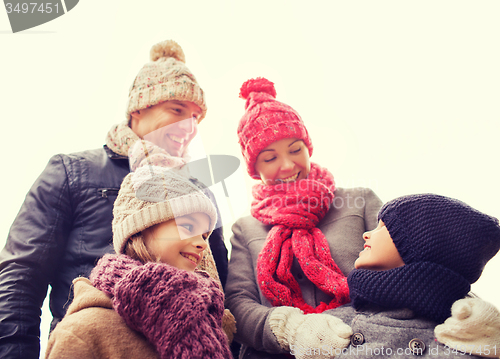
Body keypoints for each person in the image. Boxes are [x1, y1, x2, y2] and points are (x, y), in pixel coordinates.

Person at [0, 40, 228, 359]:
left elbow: (222, 288)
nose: (189, 127)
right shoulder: (72, 172)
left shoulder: (199, 190)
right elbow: (21, 277)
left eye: (196, 117)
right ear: (139, 107)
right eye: (176, 110)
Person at [225, 77, 384, 358]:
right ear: (254, 167)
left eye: (295, 150)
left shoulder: (360, 202)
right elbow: (238, 304)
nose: (287, 165)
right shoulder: (245, 228)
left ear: (308, 147)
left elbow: (403, 268)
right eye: (270, 158)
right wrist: (293, 330)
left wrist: (345, 325)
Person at [268, 194, 500, 358]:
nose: (368, 234)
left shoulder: (466, 330)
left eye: (382, 227)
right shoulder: (340, 322)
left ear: (422, 245)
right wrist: (295, 330)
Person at [45, 159, 235, 359]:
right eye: (188, 227)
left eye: (204, 236)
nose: (203, 244)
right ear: (139, 230)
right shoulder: (82, 332)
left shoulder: (209, 320)